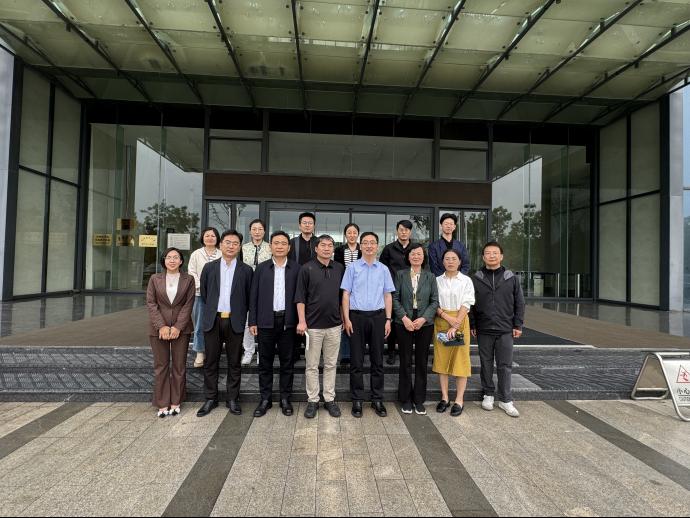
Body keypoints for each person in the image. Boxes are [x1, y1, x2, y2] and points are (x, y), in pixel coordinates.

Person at [197, 230, 253, 418]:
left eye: (235, 243)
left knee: (234, 362)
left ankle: (232, 399)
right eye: (227, 242)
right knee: (211, 361)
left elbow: (249, 297)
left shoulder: (246, 270)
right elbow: (205, 294)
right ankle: (210, 398)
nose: (231, 246)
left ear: (239, 247)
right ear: (220, 245)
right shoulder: (209, 268)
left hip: (235, 321)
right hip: (213, 320)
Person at [341, 231, 395, 418]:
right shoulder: (352, 268)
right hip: (356, 317)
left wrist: (388, 319)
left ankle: (377, 399)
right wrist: (346, 319)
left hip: (378, 318)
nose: (369, 246)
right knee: (356, 361)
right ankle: (357, 399)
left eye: (373, 242)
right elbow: (346, 294)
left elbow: (388, 295)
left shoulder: (383, 269)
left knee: (377, 361)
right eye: (365, 242)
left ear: (377, 246)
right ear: (361, 246)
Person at [470, 241, 525, 418]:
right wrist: (473, 324)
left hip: (505, 328)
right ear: (483, 257)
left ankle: (505, 399)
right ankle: (488, 394)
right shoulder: (476, 278)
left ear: (501, 256)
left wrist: (518, 324)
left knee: (505, 365)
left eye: (495, 253)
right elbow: (470, 304)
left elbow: (519, 302)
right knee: (485, 363)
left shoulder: (511, 278)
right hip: (484, 328)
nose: (491, 256)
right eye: (488, 253)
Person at [249, 231, 300, 418]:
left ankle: (285, 399)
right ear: (270, 246)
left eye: (283, 243)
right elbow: (253, 296)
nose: (279, 246)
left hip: (288, 322)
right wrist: (252, 321)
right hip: (265, 322)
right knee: (265, 363)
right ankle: (265, 399)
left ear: (289, 247)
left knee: (287, 363)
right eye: (276, 243)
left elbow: (301, 296)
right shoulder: (261, 269)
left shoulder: (297, 269)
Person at [295, 235, 345, 419]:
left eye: (330, 245)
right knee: (312, 365)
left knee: (331, 364)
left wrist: (343, 318)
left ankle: (329, 399)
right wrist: (302, 321)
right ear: (316, 248)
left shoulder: (339, 268)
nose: (326, 248)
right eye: (323, 245)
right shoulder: (306, 268)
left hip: (334, 326)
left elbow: (343, 297)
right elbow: (300, 297)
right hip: (313, 326)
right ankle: (313, 400)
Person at [146, 247, 196, 417]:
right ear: (164, 260)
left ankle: (176, 401)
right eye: (169, 257)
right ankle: (162, 403)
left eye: (176, 257)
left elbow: (188, 304)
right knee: (161, 366)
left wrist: (177, 327)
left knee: (179, 366)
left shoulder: (188, 279)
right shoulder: (155, 279)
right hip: (158, 329)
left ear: (181, 261)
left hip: (181, 328)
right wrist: (161, 326)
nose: (172, 260)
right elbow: (151, 303)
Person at [392, 243, 438, 415]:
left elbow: (435, 301)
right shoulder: (400, 274)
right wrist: (404, 318)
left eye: (419, 254)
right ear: (408, 257)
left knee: (421, 361)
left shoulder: (430, 277)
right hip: (403, 321)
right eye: (413, 254)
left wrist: (424, 318)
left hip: (424, 322)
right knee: (405, 361)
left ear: (423, 257)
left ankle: (419, 399)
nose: (416, 256)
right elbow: (394, 298)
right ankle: (405, 398)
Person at [433, 249, 475, 417]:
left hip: (461, 320)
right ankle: (444, 397)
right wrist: (446, 318)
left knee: (460, 361)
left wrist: (456, 323)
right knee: (441, 360)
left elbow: (467, 302)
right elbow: (433, 302)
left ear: (459, 261)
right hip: (441, 321)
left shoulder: (466, 280)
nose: (450, 261)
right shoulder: (437, 280)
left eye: (454, 258)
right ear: (443, 262)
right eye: (447, 259)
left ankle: (459, 399)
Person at [380, 219, 414, 365]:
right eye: (401, 229)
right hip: (393, 290)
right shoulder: (388, 249)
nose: (404, 232)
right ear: (397, 231)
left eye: (406, 230)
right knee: (393, 322)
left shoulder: (416, 248)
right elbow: (382, 270)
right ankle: (391, 352)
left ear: (410, 232)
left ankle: (408, 352)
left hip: (412, 290)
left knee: (410, 320)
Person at [187, 227, 222, 368]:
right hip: (200, 294)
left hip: (219, 295)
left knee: (217, 324)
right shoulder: (196, 254)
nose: (210, 238)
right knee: (200, 324)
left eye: (213, 236)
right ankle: (200, 352)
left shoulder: (222, 253)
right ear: (202, 238)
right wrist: (201, 287)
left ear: (217, 238)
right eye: (207, 235)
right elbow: (192, 272)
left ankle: (215, 351)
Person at [241, 219, 272, 366]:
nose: (257, 232)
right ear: (250, 231)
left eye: (260, 229)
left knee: (263, 322)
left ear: (264, 231)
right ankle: (248, 351)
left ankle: (262, 352)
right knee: (248, 321)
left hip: (265, 288)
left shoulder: (270, 247)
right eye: (254, 229)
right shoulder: (243, 248)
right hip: (247, 287)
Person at [333, 223, 361, 366]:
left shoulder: (362, 249)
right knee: (344, 319)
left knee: (357, 320)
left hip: (360, 288)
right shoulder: (339, 250)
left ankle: (357, 353)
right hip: (343, 286)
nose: (352, 235)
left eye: (354, 232)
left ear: (358, 234)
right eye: (349, 232)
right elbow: (338, 268)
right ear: (345, 235)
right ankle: (345, 354)